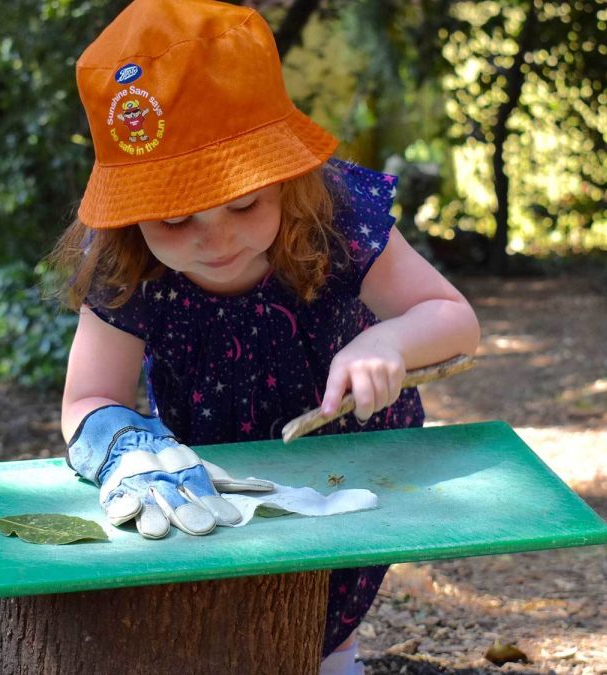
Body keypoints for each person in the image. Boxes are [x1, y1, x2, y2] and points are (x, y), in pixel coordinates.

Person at [50, 0, 480, 672]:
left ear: (287, 176)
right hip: (211, 471)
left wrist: (388, 342)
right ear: (130, 216)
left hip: (355, 462)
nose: (215, 239)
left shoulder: (335, 217)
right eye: (173, 220)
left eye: (246, 202)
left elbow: (453, 317)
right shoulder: (124, 263)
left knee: (322, 627)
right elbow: (87, 398)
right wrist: (125, 445)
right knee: (226, 618)